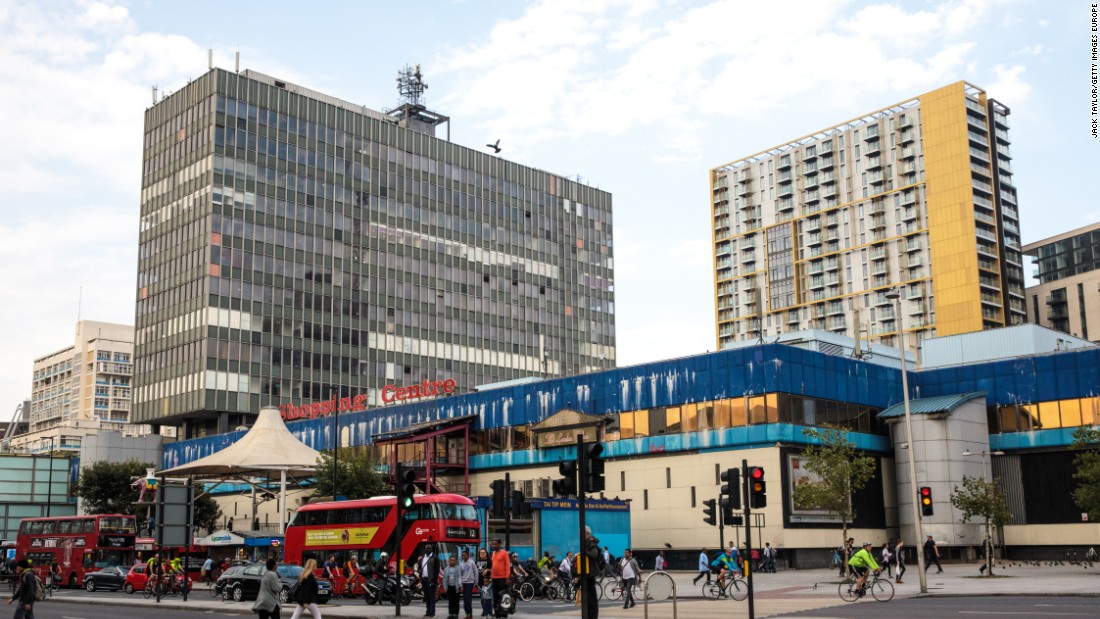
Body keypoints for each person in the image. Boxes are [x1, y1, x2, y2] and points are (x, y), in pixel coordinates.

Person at [580, 526, 601, 619]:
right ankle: (589, 615)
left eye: (581, 534)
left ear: (586, 533)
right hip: (587, 572)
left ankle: (592, 616)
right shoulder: (588, 542)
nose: (580, 536)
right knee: (588, 597)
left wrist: (583, 552)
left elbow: (594, 554)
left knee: (591, 598)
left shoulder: (591, 542)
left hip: (590, 572)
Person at [489, 539, 510, 618]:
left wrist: (507, 577)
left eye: (495, 544)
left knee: (503, 597)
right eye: (493, 544)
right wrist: (491, 576)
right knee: (495, 597)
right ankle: (497, 613)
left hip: (502, 579)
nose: (494, 546)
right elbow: (493, 566)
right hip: (494, 578)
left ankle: (504, 614)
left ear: (499, 544)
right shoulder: (493, 553)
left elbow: (507, 565)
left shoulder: (504, 553)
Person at [421, 545, 441, 618]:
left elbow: (437, 571)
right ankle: (428, 611)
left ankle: (432, 612)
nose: (428, 550)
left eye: (429, 548)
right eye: (426, 548)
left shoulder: (435, 558)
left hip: (431, 580)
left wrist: (433, 581)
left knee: (431, 597)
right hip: (424, 579)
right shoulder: (423, 557)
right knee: (426, 597)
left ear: (432, 549)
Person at [459, 550, 477, 619]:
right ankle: (467, 614)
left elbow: (476, 572)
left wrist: (476, 582)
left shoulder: (472, 563)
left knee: (467, 598)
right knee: (464, 600)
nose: (463, 557)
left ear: (468, 555)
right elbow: (459, 575)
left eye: (464, 555)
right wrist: (460, 585)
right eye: (462, 555)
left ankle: (470, 614)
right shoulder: (461, 564)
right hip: (464, 583)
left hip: (470, 583)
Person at [443, 555, 460, 619]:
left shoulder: (458, 568)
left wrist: (460, 585)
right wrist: (445, 587)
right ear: (449, 561)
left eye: (454, 560)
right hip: (449, 587)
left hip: (456, 587)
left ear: (455, 561)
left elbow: (460, 577)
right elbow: (444, 578)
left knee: (456, 601)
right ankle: (451, 613)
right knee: (450, 601)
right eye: (451, 560)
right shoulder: (446, 569)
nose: (452, 561)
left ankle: (456, 614)